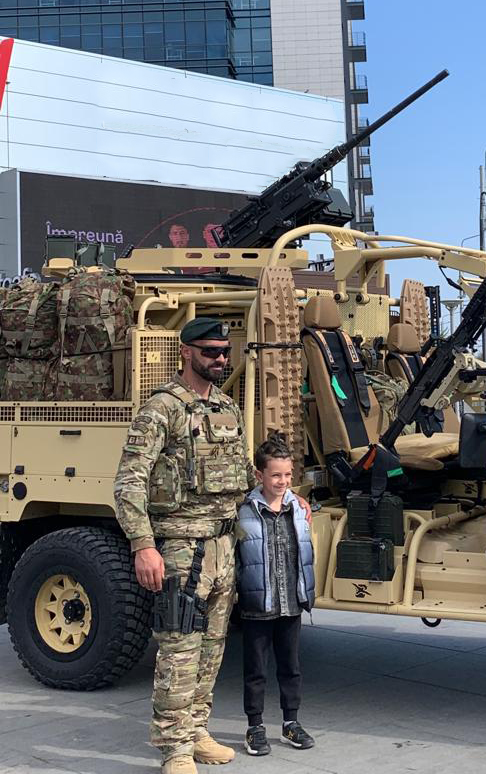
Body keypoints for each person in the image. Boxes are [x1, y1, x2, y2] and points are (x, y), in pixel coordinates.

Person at [113, 317, 310, 774]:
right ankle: (174, 748)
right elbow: (129, 482)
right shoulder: (161, 409)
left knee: (212, 647)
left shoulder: (227, 408)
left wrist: (287, 497)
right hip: (182, 547)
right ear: (186, 352)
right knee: (180, 649)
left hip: (224, 545)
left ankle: (197, 730)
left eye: (225, 352)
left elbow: (242, 478)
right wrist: (143, 545)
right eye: (210, 351)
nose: (220, 359)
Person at [236, 434, 316, 757]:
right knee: (256, 670)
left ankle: (291, 722)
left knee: (290, 667)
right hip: (258, 604)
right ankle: (255, 726)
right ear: (259, 475)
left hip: (290, 602)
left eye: (287, 474)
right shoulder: (243, 510)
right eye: (275, 475)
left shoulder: (297, 507)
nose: (282, 481)